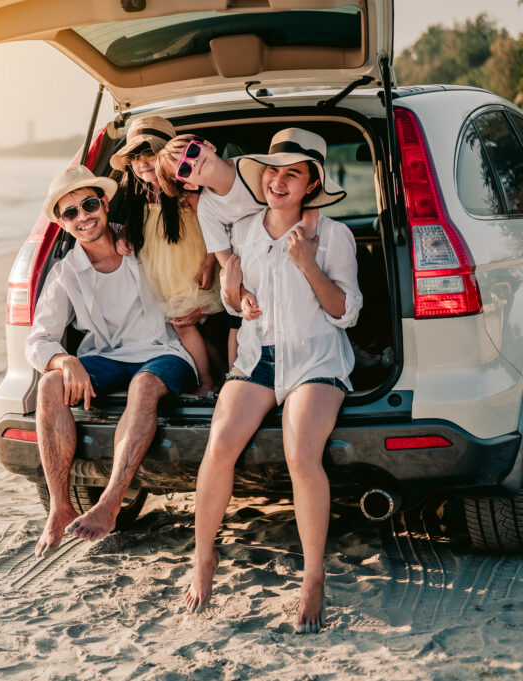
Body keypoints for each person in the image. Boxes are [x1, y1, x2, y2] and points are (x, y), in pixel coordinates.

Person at [182, 128, 362, 634]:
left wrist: (307, 264)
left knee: (301, 454)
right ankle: (203, 557)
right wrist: (235, 294)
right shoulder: (243, 229)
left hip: (315, 362)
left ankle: (312, 577)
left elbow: (346, 313)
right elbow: (234, 295)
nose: (279, 181)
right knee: (219, 446)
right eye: (273, 171)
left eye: (293, 173)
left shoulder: (333, 236)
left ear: (311, 184)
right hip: (259, 359)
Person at [27, 165, 197, 558]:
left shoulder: (139, 241)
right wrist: (64, 361)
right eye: (70, 212)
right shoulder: (65, 272)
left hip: (164, 351)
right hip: (106, 359)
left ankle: (111, 501)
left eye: (88, 204)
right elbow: (38, 338)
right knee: (49, 384)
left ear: (104, 203)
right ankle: (59, 505)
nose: (83, 217)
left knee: (143, 385)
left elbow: (187, 235)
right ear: (61, 223)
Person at [161, 133, 320, 366]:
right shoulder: (207, 207)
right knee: (237, 319)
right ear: (189, 184)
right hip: (248, 263)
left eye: (192, 151)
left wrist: (307, 230)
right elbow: (223, 254)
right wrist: (241, 290)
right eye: (184, 168)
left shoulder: (254, 167)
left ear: (209, 145)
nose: (192, 161)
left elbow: (306, 198)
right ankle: (236, 373)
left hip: (288, 249)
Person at [109, 116, 221, 396]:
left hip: (192, 271)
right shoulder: (137, 196)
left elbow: (214, 226)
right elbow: (128, 227)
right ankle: (222, 377)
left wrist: (211, 262)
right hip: (164, 279)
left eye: (149, 152)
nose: (142, 162)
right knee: (190, 330)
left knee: (184, 327)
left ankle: (207, 382)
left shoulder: (186, 192)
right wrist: (123, 235)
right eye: (134, 156)